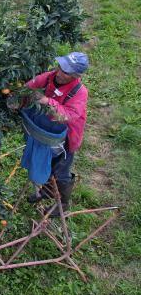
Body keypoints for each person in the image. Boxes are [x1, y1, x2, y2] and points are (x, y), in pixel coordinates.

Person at [26, 52, 89, 216]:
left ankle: (64, 203)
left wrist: (47, 101)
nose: (59, 73)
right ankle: (47, 192)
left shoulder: (79, 92)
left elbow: (67, 116)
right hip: (48, 133)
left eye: (66, 72)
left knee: (60, 171)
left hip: (66, 139)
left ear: (76, 76)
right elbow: (30, 85)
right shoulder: (49, 77)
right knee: (48, 163)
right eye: (60, 67)